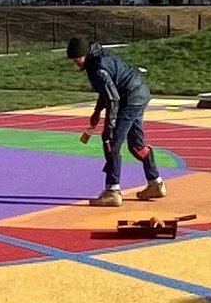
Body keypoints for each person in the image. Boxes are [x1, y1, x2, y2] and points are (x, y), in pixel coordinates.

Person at [66, 33, 166, 207]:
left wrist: (109, 126)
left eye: (78, 59)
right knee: (136, 146)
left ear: (85, 54)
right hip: (140, 93)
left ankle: (112, 191)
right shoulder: (100, 55)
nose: (76, 63)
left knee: (111, 142)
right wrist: (97, 112)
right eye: (74, 60)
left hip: (129, 99)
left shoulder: (97, 69)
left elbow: (113, 98)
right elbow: (107, 90)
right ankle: (156, 183)